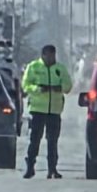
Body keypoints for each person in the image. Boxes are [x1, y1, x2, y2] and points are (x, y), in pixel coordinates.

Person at [21, 44, 73, 179]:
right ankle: (30, 167)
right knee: (34, 140)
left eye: (53, 55)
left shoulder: (60, 69)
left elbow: (68, 86)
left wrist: (59, 88)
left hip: (54, 111)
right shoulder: (33, 67)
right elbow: (25, 86)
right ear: (43, 55)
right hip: (37, 110)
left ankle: (52, 169)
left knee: (52, 141)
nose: (50, 58)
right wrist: (38, 89)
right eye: (48, 56)